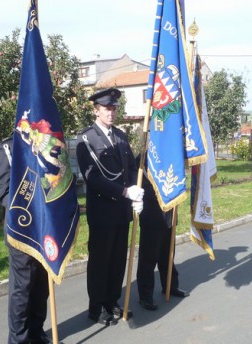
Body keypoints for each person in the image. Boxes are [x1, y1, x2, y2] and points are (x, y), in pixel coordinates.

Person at [76, 88, 143, 326]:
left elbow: (131, 169)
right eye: (107, 109)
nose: (111, 113)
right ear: (96, 110)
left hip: (121, 212)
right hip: (103, 212)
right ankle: (96, 307)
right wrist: (124, 192)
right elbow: (93, 177)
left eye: (114, 108)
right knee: (100, 261)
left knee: (117, 260)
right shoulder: (86, 139)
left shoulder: (121, 137)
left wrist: (136, 190)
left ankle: (112, 301)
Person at [0, 135, 51, 344]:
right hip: (21, 230)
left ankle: (36, 331)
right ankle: (19, 339)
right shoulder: (7, 148)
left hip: (44, 229)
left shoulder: (45, 145)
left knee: (41, 286)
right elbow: (1, 190)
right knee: (22, 288)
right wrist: (27, 207)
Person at [137, 161, 189, 311]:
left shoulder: (169, 151)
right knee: (149, 256)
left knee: (168, 253)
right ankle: (145, 295)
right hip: (152, 211)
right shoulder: (144, 155)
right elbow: (139, 179)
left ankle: (170, 286)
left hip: (169, 211)